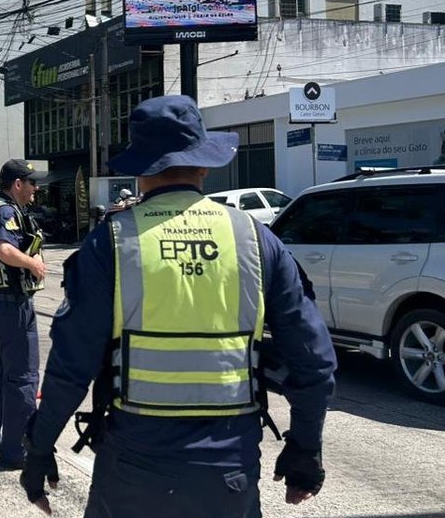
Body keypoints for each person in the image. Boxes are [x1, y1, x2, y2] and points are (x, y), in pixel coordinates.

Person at [20, 95, 336, 517]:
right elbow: (314, 363)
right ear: (204, 165)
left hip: (131, 471)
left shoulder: (111, 242)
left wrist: (40, 447)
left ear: (140, 169)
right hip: (229, 471)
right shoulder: (256, 240)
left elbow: (71, 366)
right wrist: (305, 450)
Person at [0, 159, 50, 470]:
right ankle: (16, 452)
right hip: (13, 304)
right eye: (32, 183)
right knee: (23, 378)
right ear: (17, 184)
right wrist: (33, 264)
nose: (36, 189)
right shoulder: (6, 211)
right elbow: (3, 248)